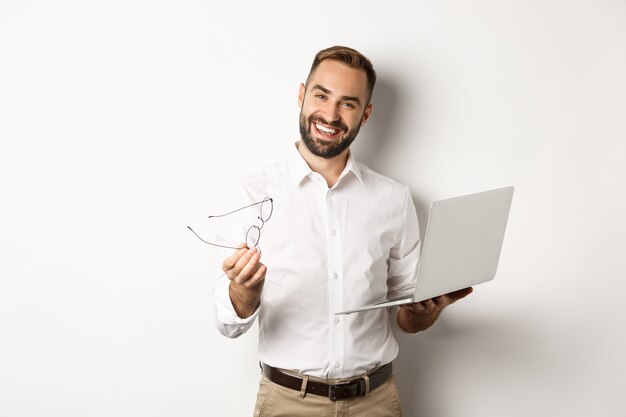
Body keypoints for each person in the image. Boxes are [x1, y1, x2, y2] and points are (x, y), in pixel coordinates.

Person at [211, 45, 473, 417]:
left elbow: (406, 317)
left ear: (365, 114)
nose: (330, 115)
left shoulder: (394, 199)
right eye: (321, 96)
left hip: (376, 403)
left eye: (348, 104)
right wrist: (243, 290)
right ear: (302, 95)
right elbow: (227, 324)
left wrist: (425, 311)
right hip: (288, 403)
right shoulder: (252, 196)